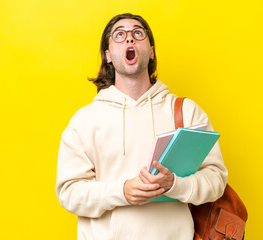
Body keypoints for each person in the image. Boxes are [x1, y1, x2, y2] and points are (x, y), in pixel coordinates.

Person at [56, 13, 228, 240]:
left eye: (138, 33)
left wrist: (174, 184)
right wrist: (122, 191)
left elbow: (216, 179)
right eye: (119, 35)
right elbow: (69, 193)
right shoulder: (84, 120)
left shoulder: (186, 111)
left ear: (152, 50)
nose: (129, 39)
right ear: (108, 55)